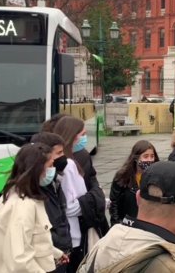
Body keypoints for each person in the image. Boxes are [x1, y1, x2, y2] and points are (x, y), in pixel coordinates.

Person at [0, 143, 69, 272]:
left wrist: (55, 253)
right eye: (50, 165)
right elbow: (20, 259)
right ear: (37, 169)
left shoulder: (17, 194)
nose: (53, 169)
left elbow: (33, 239)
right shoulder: (24, 206)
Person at [53, 116, 109, 273]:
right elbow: (69, 207)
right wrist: (97, 202)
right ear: (71, 135)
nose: (85, 138)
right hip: (73, 235)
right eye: (82, 134)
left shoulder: (73, 160)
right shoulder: (68, 165)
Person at [30, 132, 73, 273]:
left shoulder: (53, 180)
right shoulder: (32, 191)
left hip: (59, 252)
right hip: (48, 256)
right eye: (58, 153)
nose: (61, 158)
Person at [109, 140, 160, 226]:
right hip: (127, 224)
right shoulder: (122, 177)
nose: (150, 160)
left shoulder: (157, 175)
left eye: (152, 156)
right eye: (145, 156)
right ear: (136, 158)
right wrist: (116, 224)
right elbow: (114, 203)